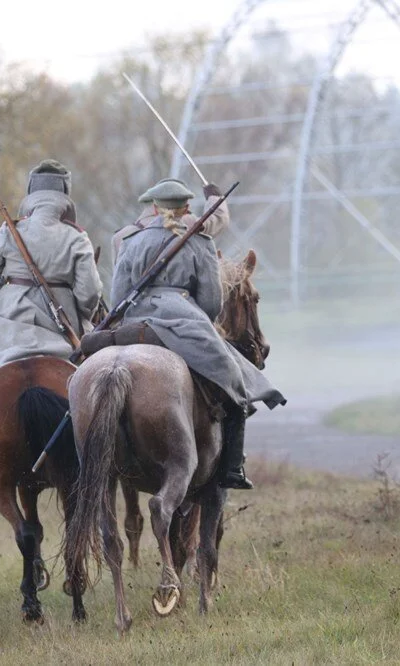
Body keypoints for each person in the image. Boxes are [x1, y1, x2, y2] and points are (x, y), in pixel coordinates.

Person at [101, 178, 285, 489]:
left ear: (155, 208)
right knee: (234, 382)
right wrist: (192, 316)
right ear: (186, 207)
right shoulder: (200, 243)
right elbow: (212, 303)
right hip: (185, 317)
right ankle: (232, 468)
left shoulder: (131, 241)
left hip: (134, 320)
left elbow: (118, 295)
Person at [0, 160, 103, 486]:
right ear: (65, 195)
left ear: (31, 193)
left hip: (8, 323)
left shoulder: (10, 230)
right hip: (61, 325)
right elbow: (90, 295)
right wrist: (78, 311)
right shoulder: (77, 238)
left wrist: (10, 287)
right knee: (95, 372)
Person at [111, 177, 230, 262]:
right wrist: (215, 197)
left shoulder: (121, 236)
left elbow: (119, 283)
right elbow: (218, 219)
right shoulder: (186, 223)